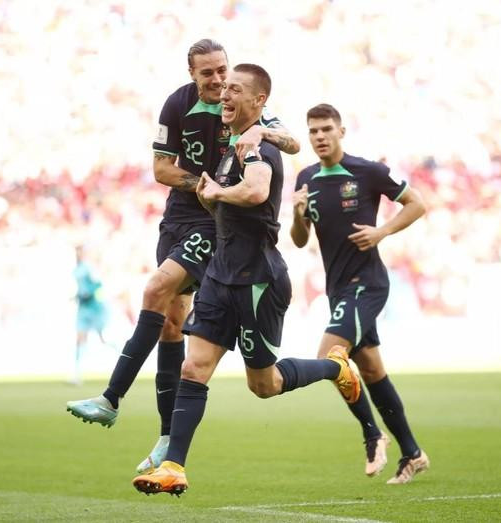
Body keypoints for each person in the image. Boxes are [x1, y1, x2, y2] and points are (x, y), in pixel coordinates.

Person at [66, 39, 301, 475]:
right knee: (172, 323)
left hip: (216, 223)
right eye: (208, 73)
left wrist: (259, 136)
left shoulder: (251, 108)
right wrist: (202, 183)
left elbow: (293, 143)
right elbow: (160, 169)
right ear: (192, 74)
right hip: (179, 216)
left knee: (156, 287)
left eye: (223, 71)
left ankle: (111, 396)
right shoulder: (177, 104)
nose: (218, 81)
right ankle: (165, 437)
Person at [132, 64, 360, 497]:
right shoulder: (231, 145)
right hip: (220, 275)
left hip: (257, 280)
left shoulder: (258, 147)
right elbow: (232, 203)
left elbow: (256, 191)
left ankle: (334, 366)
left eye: (235, 89)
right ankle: (174, 467)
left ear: (259, 102)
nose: (224, 95)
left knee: (265, 385)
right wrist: (210, 197)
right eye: (224, 89)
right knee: (193, 366)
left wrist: (217, 194)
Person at [290, 103, 429, 484]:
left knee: (329, 356)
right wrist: (298, 214)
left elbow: (418, 203)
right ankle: (413, 454)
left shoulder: (367, 171)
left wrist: (381, 231)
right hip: (338, 289)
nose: (319, 137)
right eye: (313, 131)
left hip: (367, 284)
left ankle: (372, 434)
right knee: (370, 370)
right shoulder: (306, 178)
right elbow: (300, 241)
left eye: (325, 129)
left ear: (341, 131)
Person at [71, 245, 111, 386]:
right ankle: (77, 375)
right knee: (80, 340)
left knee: (103, 338)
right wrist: (77, 296)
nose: (78, 254)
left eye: (80, 251)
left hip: (95, 308)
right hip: (83, 309)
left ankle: (124, 358)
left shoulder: (88, 268)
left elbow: (98, 284)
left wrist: (88, 293)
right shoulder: (76, 269)